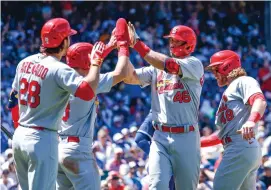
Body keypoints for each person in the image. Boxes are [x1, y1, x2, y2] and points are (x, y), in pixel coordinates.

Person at [9, 18, 105, 190]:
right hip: (42, 139)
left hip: (20, 135)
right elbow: (87, 92)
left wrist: (20, 130)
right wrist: (96, 62)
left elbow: (12, 101)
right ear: (63, 41)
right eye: (68, 36)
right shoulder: (59, 69)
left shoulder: (24, 62)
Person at [125, 23, 204, 189]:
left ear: (189, 45)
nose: (172, 44)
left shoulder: (194, 64)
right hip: (160, 135)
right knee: (157, 185)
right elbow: (129, 77)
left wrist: (137, 44)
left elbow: (171, 66)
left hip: (186, 136)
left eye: (177, 41)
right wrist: (123, 49)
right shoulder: (156, 69)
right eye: (171, 40)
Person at [57, 18, 131, 190]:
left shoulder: (59, 78)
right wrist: (123, 46)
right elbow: (123, 72)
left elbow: (86, 66)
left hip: (59, 148)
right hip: (78, 149)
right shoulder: (90, 84)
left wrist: (108, 48)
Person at [201, 50, 267, 190]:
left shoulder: (243, 81)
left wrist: (251, 121)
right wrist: (196, 142)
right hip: (242, 147)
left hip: (239, 147)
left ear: (227, 66)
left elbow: (259, 101)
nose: (214, 74)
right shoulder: (230, 90)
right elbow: (222, 135)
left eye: (215, 69)